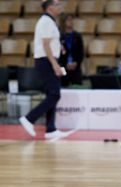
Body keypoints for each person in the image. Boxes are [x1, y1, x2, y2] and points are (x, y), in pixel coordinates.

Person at [18, 0, 69, 140]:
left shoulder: (50, 21)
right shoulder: (46, 21)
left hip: (48, 60)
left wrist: (59, 48)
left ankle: (51, 129)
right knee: (55, 94)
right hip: (46, 61)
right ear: (51, 7)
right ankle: (29, 119)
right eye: (58, 5)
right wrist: (54, 64)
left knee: (51, 94)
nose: (60, 7)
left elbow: (50, 42)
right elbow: (46, 45)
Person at [58, 13, 84, 87]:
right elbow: (58, 54)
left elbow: (81, 53)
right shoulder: (59, 36)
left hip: (76, 66)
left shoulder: (77, 36)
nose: (71, 22)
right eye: (69, 20)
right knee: (63, 86)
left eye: (72, 20)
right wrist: (64, 64)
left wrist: (76, 63)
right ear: (63, 22)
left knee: (78, 86)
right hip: (63, 66)